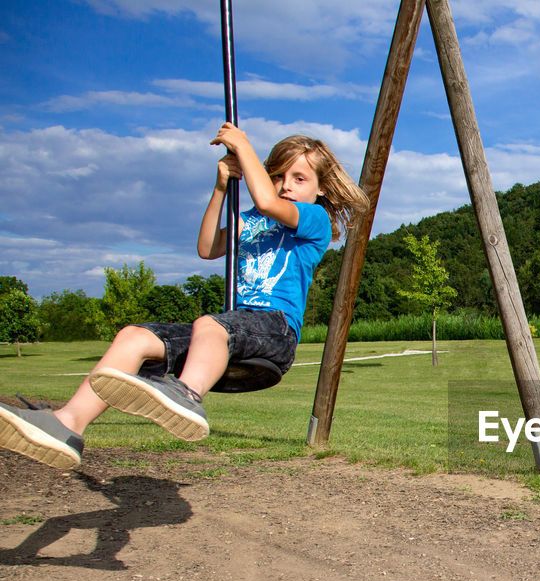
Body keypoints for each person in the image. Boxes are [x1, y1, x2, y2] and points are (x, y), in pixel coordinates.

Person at [0, 124, 368, 470]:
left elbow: (272, 204)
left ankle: (186, 396)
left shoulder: (314, 218)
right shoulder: (254, 218)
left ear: (320, 188)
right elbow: (207, 248)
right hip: (231, 330)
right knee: (134, 337)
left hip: (275, 329)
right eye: (277, 176)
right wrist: (222, 186)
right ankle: (67, 424)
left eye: (298, 178)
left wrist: (243, 145)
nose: (285, 185)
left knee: (210, 325)